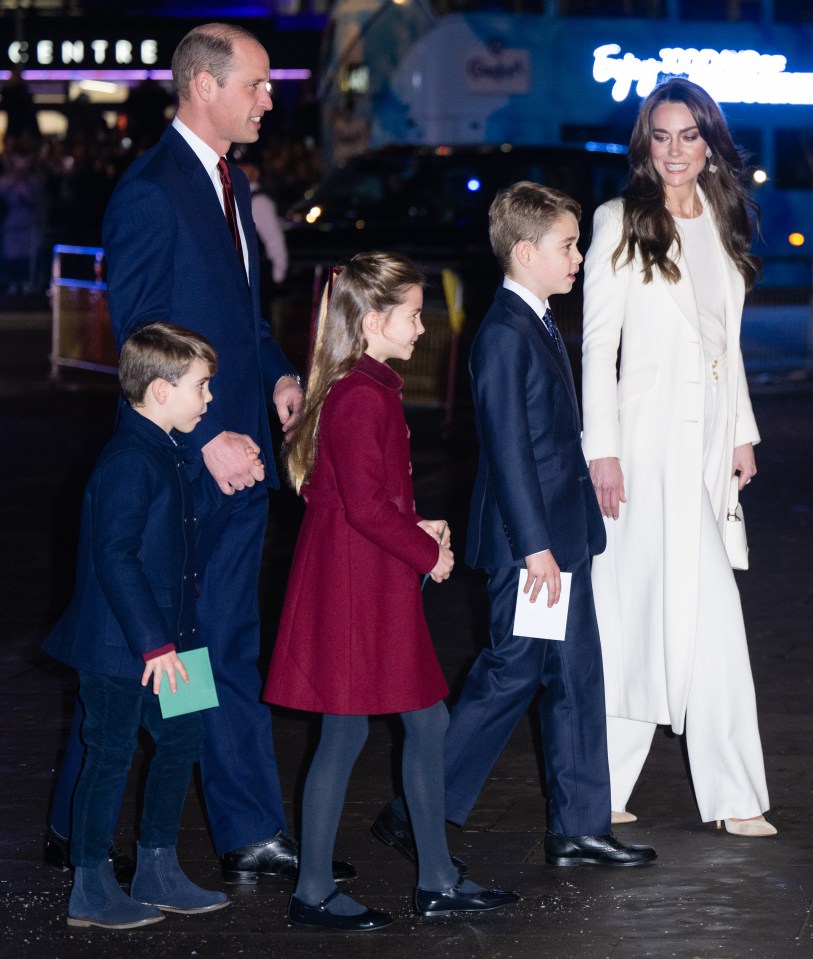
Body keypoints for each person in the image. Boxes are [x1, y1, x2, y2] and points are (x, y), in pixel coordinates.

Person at [45, 22, 354, 886]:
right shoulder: (151, 191)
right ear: (203, 87)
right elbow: (143, 343)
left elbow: (238, 320)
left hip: (241, 450)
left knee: (206, 643)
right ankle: (177, 825)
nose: (268, 97)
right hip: (184, 464)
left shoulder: (232, 181)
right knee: (174, 649)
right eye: (256, 84)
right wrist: (205, 433)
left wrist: (279, 378)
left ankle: (184, 823)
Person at [374, 183, 657, 868]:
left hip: (556, 537)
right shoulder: (504, 332)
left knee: (573, 676)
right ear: (525, 252)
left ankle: (578, 825)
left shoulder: (531, 319)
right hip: (531, 544)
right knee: (511, 672)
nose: (579, 257)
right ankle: (417, 804)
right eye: (568, 245)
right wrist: (535, 547)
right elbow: (506, 450)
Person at [263, 252, 520, 930]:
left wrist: (415, 525)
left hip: (362, 580)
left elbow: (355, 494)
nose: (421, 327)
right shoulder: (359, 394)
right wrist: (425, 551)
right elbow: (365, 507)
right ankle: (339, 886)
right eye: (411, 314)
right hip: (360, 587)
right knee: (358, 732)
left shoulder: (359, 386)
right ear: (373, 321)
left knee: (388, 727)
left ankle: (408, 878)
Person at [581, 77, 775, 837]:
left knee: (646, 610)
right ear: (644, 143)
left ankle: (594, 788)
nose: (673, 152)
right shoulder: (618, 219)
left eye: (687, 136)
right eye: (659, 136)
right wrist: (602, 449)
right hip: (643, 445)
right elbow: (599, 345)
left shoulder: (721, 217)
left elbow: (722, 337)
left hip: (702, 446)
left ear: (708, 141)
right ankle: (731, 795)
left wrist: (741, 430)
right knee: (676, 612)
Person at [42, 322, 229, 929]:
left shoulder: (166, 449)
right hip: (125, 646)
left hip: (174, 640)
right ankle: (90, 886)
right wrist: (153, 643)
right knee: (111, 754)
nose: (208, 399)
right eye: (201, 387)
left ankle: (158, 867)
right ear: (158, 391)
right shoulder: (130, 458)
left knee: (185, 738)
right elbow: (114, 556)